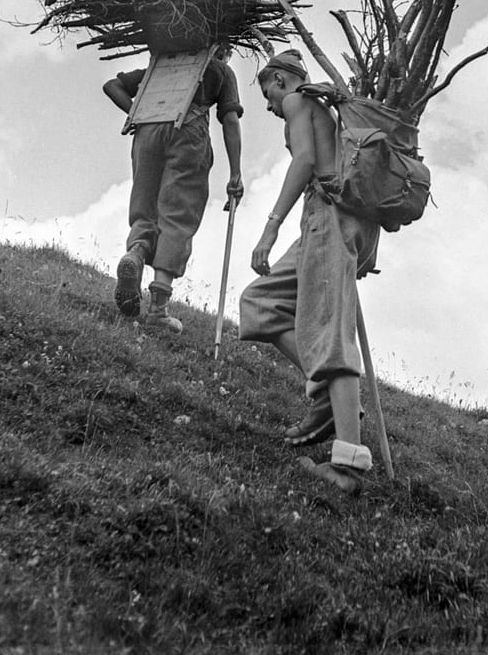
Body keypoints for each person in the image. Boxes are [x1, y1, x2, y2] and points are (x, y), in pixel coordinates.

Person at [238, 49, 379, 494]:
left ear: (281, 80)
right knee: (259, 303)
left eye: (267, 92)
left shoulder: (300, 101)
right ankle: (326, 399)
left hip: (328, 217)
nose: (268, 104)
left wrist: (269, 228)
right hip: (333, 219)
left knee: (328, 332)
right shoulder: (324, 107)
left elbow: (302, 161)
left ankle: (348, 468)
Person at [103, 45, 244, 332]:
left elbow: (112, 85)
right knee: (179, 211)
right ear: (222, 49)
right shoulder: (220, 71)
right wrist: (236, 171)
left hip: (148, 130)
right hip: (188, 133)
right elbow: (230, 119)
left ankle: (137, 253)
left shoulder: (163, 65)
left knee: (145, 203)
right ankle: (158, 309)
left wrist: (137, 112)